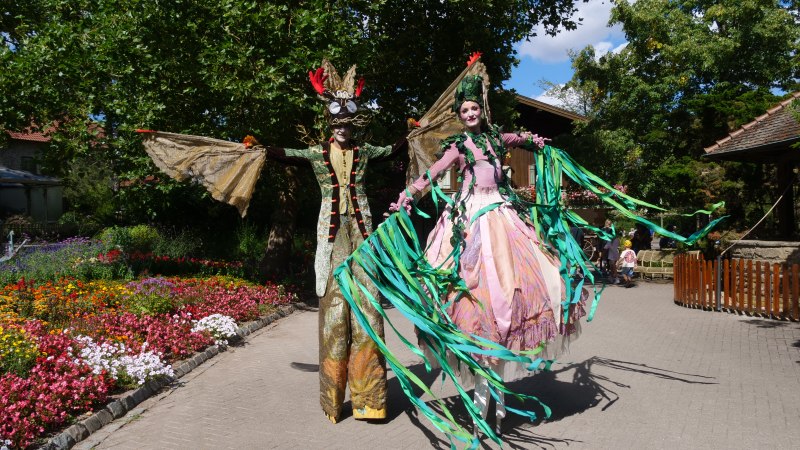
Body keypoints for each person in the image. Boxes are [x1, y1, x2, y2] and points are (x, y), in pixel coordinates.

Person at [333, 54, 726, 447]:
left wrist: (538, 142)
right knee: (469, 283)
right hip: (470, 217)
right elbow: (431, 175)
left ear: (481, 111)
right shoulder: (459, 146)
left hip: (502, 215)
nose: (469, 114)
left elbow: (524, 140)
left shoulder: (497, 138)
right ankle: (481, 385)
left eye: (473, 109)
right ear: (459, 114)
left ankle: (496, 401)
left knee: (521, 278)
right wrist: (406, 196)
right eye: (464, 110)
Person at [139, 60, 407, 424]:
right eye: (337, 123)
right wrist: (259, 147)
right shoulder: (315, 153)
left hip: (363, 238)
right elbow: (283, 154)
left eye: (348, 123)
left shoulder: (365, 152)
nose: (343, 129)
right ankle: (333, 401)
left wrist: (414, 131)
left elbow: (394, 150)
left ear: (353, 124)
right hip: (329, 241)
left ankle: (370, 401)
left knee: (369, 311)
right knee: (332, 313)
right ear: (330, 124)